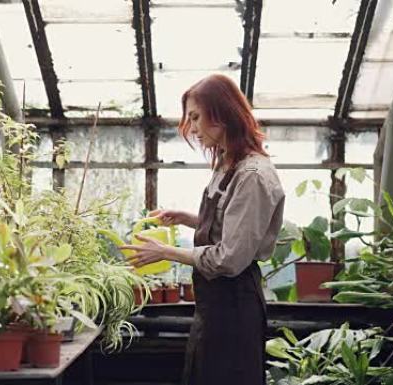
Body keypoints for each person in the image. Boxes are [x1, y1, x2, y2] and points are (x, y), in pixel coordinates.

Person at [120, 73, 285, 385]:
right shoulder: (228, 163)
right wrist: (187, 218)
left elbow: (230, 258)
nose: (192, 129)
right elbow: (232, 225)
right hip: (216, 306)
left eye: (195, 118)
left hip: (234, 308)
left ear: (221, 114)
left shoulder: (252, 175)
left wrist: (165, 251)